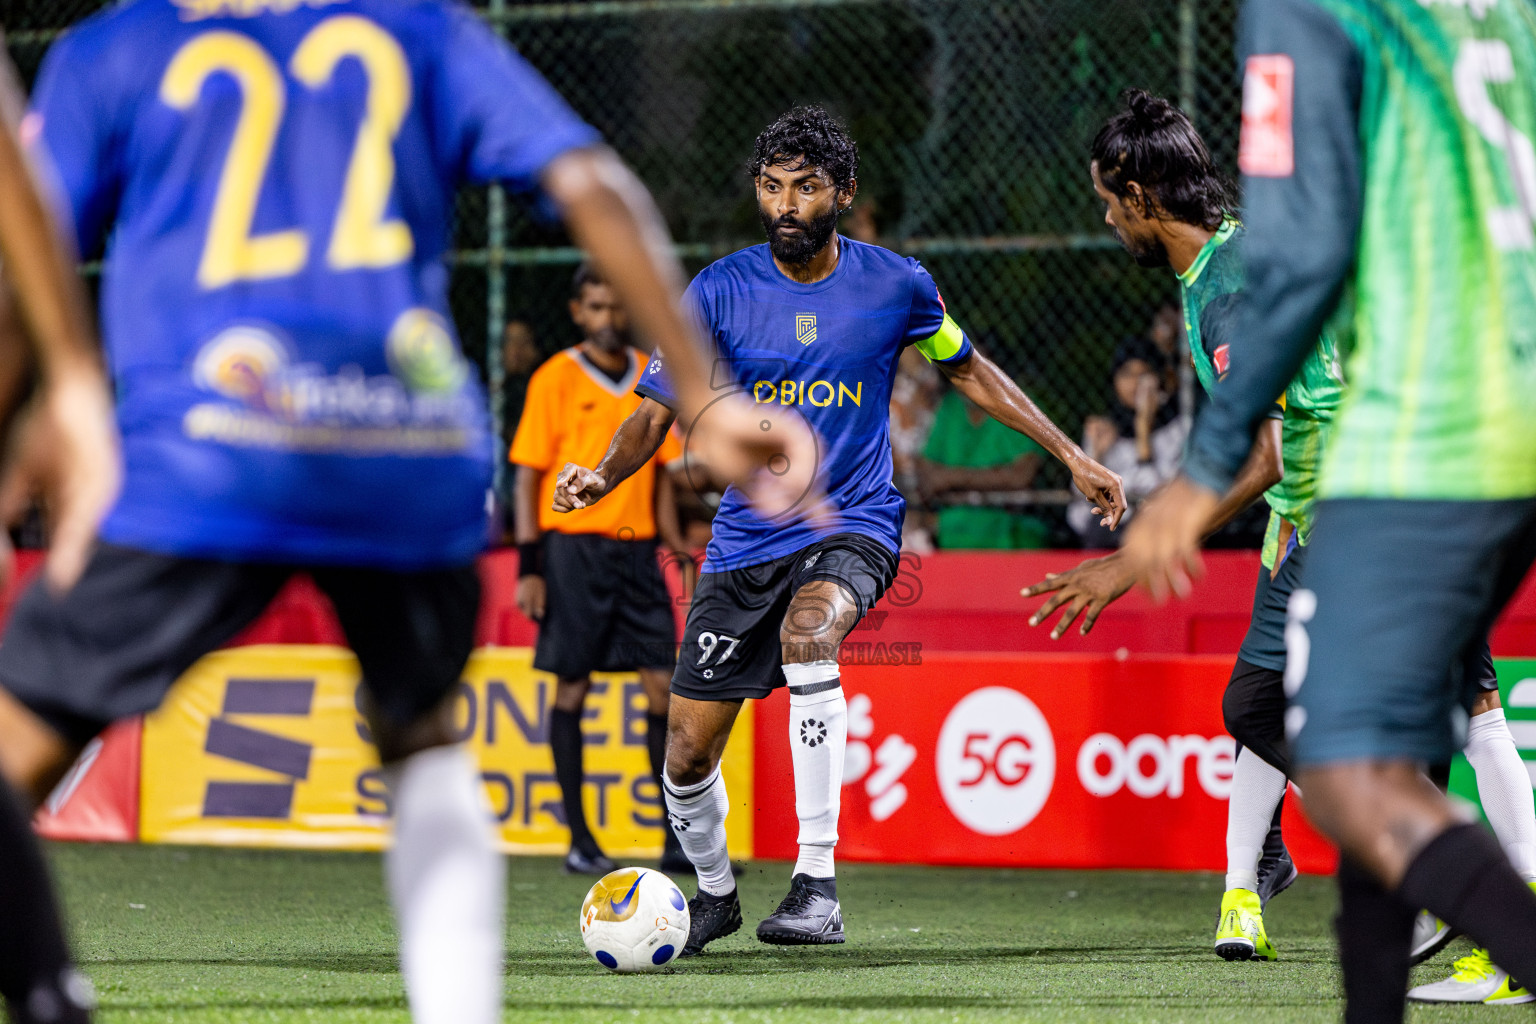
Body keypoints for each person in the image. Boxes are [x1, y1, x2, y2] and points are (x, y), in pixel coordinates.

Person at [0, 3, 814, 1023]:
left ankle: (44, 997)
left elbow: (23, 248)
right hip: (410, 448)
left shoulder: (113, 49)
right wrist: (699, 390)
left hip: (216, 444)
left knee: (13, 748)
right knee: (423, 740)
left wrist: (40, 404)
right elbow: (594, 183)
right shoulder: (421, 29)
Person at [551, 105, 1127, 956]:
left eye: (806, 187)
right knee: (682, 754)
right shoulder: (715, 290)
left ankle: (816, 884)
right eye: (773, 187)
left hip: (853, 522)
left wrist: (1072, 453)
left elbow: (970, 374)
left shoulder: (897, 283)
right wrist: (602, 474)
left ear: (842, 193)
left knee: (810, 632)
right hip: (745, 542)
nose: (786, 203)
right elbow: (653, 411)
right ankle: (713, 894)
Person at [1120, 2, 1536, 1018]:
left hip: (1415, 434)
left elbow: (1301, 250)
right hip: (1505, 389)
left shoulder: (1306, 13)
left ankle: (1509, 932)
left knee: (1357, 770)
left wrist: (1200, 473)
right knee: (1366, 743)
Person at [1024, 88, 1348, 961]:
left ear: (1141, 197)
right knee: (1259, 705)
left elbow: (1264, 456)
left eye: (1105, 199)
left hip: (1346, 517)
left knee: (1261, 705)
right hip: (1312, 519)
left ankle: (1414, 850)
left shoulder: (1230, 290)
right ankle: (1245, 890)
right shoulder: (1224, 266)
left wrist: (1134, 559)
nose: (1104, 218)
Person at [510, 261, 690, 875]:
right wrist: (528, 565)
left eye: (616, 307)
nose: (607, 319)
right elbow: (527, 473)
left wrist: (676, 544)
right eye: (596, 308)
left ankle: (675, 839)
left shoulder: (650, 374)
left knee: (663, 688)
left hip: (637, 555)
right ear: (576, 312)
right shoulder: (553, 377)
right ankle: (581, 840)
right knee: (572, 687)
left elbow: (662, 472)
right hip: (572, 554)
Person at [1069, 336, 1186, 547]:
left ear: (1158, 378)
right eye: (1126, 374)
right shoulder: (1103, 430)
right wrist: (1095, 458)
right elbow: (1077, 515)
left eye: (1143, 374)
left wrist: (1143, 435)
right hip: (1108, 537)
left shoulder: (1177, 429)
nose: (1134, 383)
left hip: (1160, 535)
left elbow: (1159, 496)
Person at [918, 382, 1051, 550]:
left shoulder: (1019, 403)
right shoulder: (950, 406)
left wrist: (952, 478)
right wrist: (994, 477)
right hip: (954, 538)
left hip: (1012, 539)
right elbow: (927, 471)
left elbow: (1020, 476)